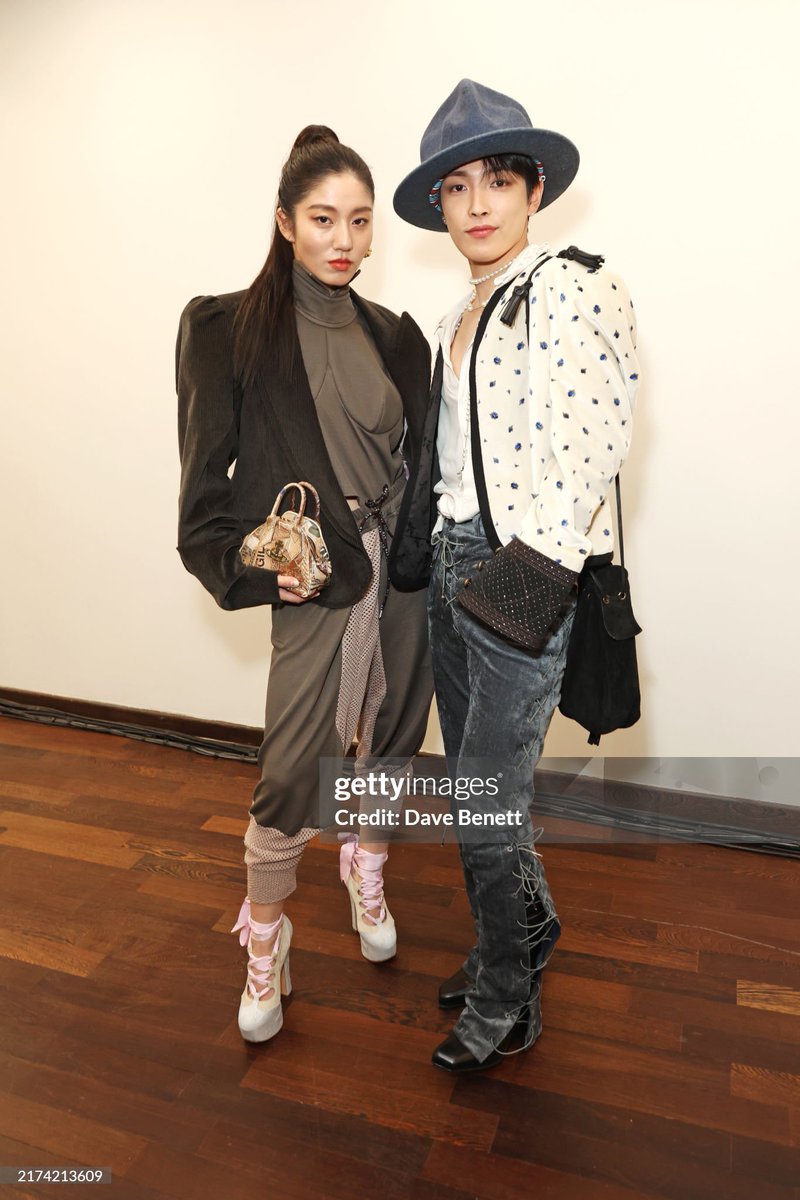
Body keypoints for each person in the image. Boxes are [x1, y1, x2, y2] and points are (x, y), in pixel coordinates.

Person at [391, 80, 640, 1071]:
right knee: (475, 794)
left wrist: (518, 593)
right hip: (453, 568)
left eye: (498, 178)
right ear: (441, 207)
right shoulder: (458, 310)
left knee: (487, 803)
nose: (478, 201)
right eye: (457, 186)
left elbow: (590, 450)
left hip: (521, 571)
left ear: (533, 189)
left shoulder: (570, 285)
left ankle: (507, 988)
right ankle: (519, 937)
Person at [176, 126, 433, 1044]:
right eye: (324, 218)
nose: (345, 240)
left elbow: (422, 465)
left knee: (396, 736)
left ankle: (366, 860)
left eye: (361, 222)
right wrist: (258, 566)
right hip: (318, 582)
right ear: (285, 222)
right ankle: (266, 939)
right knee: (291, 770)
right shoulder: (223, 328)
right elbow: (204, 506)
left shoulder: (399, 338)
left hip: (400, 569)